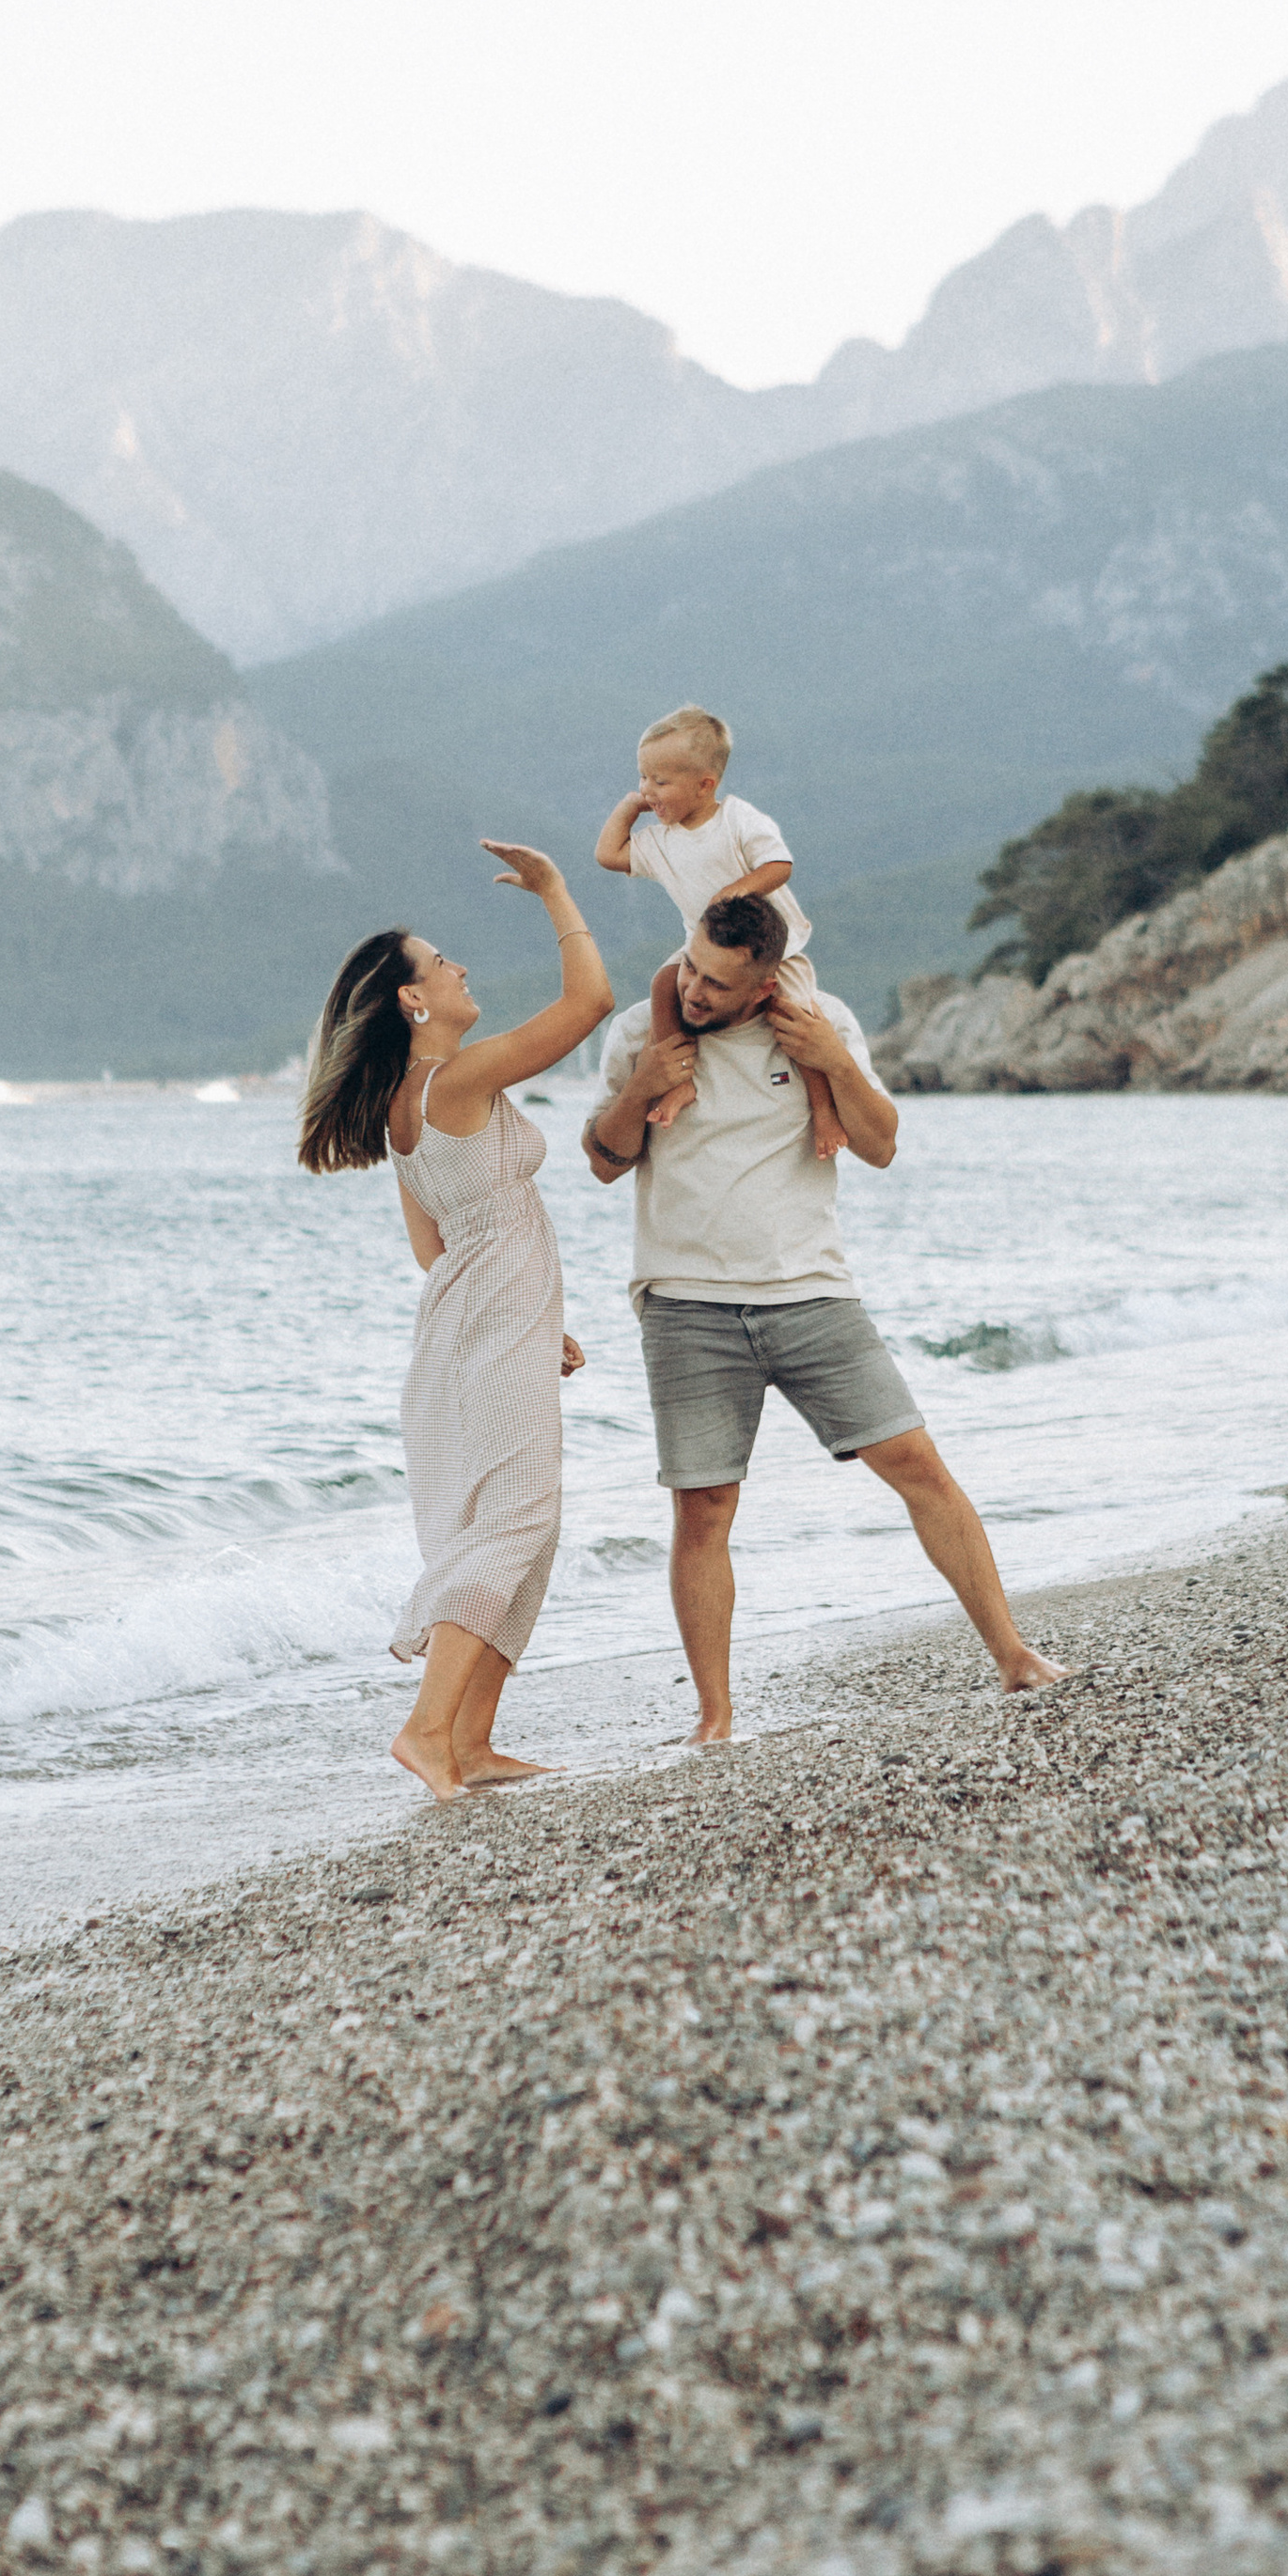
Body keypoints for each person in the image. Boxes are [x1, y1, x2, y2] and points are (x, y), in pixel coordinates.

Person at [582, 890, 1063, 1741]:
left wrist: (835, 1060)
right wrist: (643, 1090)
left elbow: (879, 1144)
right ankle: (715, 1718)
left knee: (919, 1466)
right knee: (703, 1510)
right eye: (690, 966)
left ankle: (1015, 1656)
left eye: (719, 984)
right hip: (686, 1304)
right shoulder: (641, 1034)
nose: (694, 991)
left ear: (765, 980)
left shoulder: (819, 1022)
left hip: (812, 1294)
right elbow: (605, 1161)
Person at [298, 843, 614, 1802]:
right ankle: (427, 1730)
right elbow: (589, 1006)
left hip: (465, 1328)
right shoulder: (462, 1080)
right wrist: (558, 890)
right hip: (485, 1327)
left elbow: (434, 1248)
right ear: (412, 1001)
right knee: (515, 1520)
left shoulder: (405, 1108)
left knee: (521, 1525)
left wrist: (521, 1314)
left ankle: (471, 1744)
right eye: (442, 962)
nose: (460, 967)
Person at [594, 702, 845, 1162]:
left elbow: (779, 864)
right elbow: (608, 854)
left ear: (704, 784)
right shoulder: (659, 841)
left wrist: (737, 890)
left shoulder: (737, 819)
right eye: (642, 777)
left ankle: (824, 1109)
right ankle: (681, 1080)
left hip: (775, 949)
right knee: (662, 985)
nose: (649, 790)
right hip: (704, 952)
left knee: (795, 1015)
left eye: (660, 781)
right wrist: (630, 807)